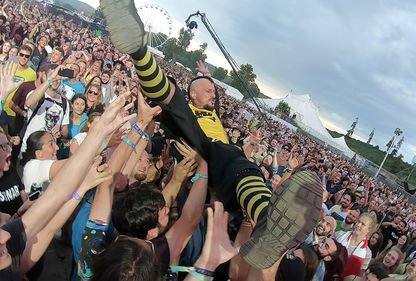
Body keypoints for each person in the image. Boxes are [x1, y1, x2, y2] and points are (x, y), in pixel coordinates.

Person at [100, 0, 323, 269]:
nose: (213, 94)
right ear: (193, 94)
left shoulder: (214, 113)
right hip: (200, 148)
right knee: (221, 145)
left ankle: (264, 223)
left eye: (214, 92)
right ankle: (139, 51)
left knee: (237, 159)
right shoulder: (188, 110)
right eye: (208, 90)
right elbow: (174, 97)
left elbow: (212, 101)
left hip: (217, 165)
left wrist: (206, 76)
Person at [0, 93, 134, 280]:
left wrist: (98, 134)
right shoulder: (32, 166)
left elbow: (49, 225)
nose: (5, 237)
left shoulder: (8, 256)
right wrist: (100, 138)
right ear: (37, 152)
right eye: (49, 144)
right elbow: (61, 184)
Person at [21, 64, 70, 154]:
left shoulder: (64, 102)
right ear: (44, 76)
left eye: (58, 77)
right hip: (30, 148)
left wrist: (60, 134)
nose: (55, 79)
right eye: (52, 75)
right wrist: (50, 80)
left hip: (50, 152)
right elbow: (28, 103)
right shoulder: (36, 94)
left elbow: (65, 129)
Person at [336, 212, 377, 278]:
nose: (358, 225)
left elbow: (359, 275)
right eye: (358, 222)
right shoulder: (339, 235)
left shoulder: (367, 253)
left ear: (368, 230)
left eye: (363, 224)